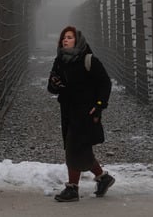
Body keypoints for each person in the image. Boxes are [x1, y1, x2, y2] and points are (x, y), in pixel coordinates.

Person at [47, 25, 115, 202]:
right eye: (64, 37)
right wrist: (54, 84)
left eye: (69, 37)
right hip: (68, 111)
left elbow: (105, 83)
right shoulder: (60, 61)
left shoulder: (89, 60)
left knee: (73, 147)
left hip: (86, 111)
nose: (65, 40)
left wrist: (99, 105)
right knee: (81, 148)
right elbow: (52, 88)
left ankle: (72, 188)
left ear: (77, 41)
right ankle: (103, 178)